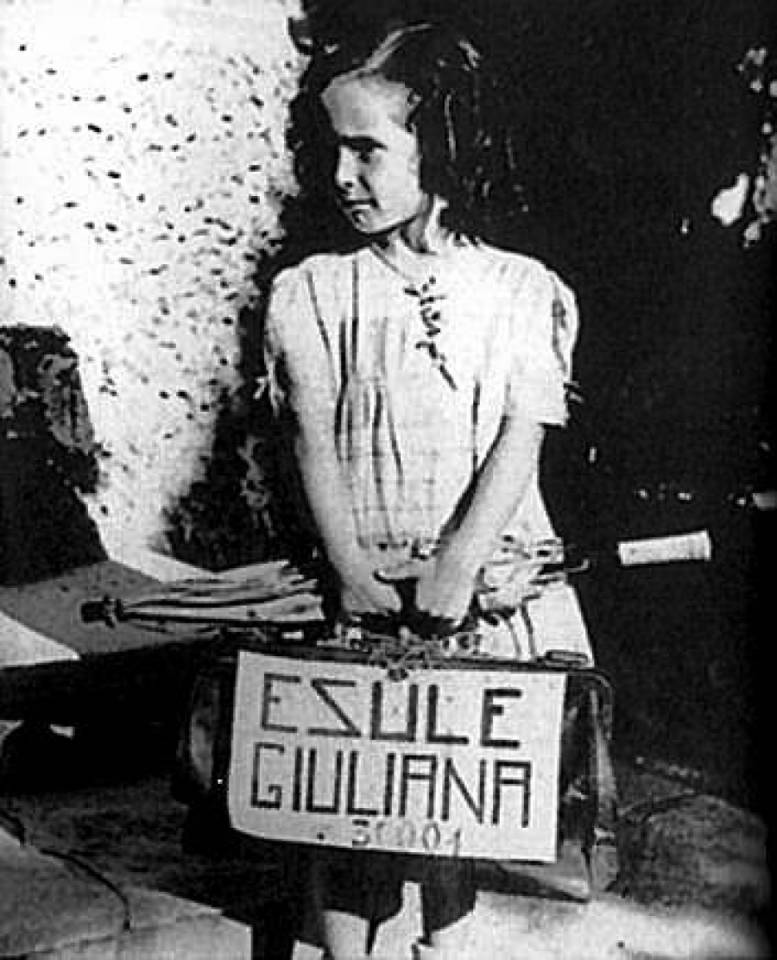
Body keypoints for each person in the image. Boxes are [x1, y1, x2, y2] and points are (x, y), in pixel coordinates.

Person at [262, 19, 591, 960]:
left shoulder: (520, 290)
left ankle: (445, 944)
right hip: (359, 580)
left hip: (481, 585)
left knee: (454, 795)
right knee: (347, 799)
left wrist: (459, 564)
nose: (341, 175)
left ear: (439, 147)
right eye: (330, 150)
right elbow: (310, 438)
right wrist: (348, 569)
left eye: (367, 150)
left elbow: (520, 433)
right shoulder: (315, 290)